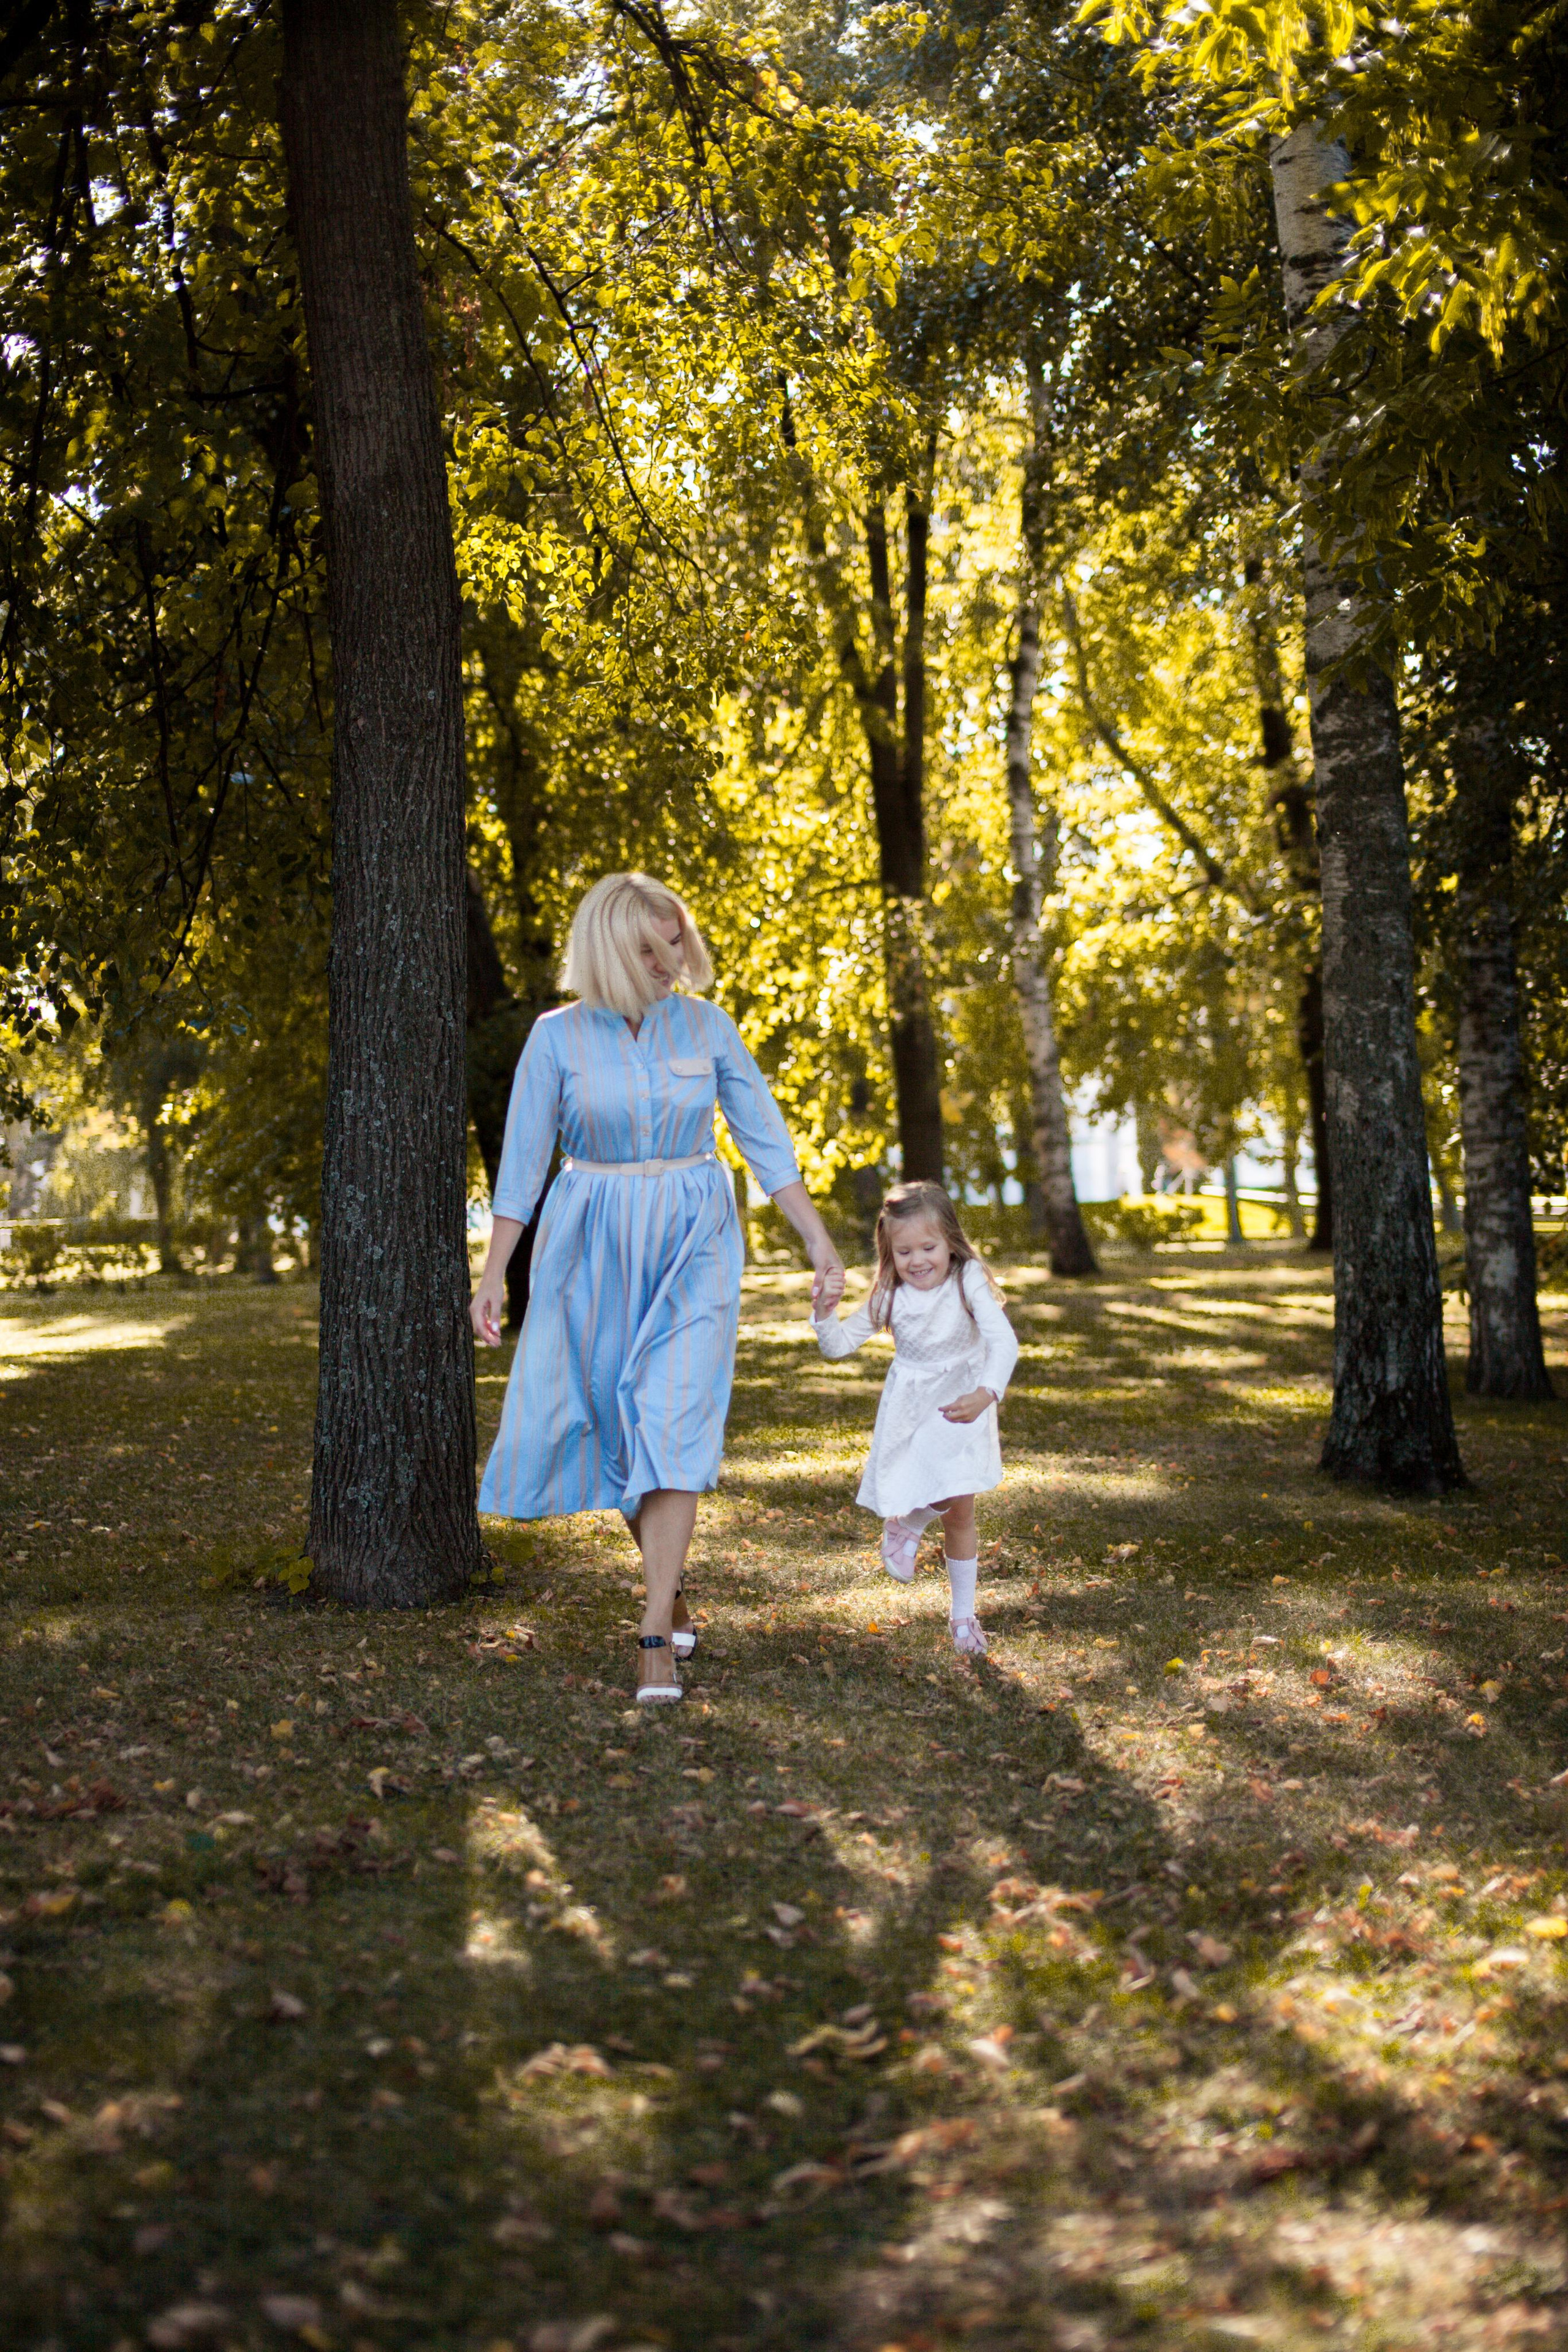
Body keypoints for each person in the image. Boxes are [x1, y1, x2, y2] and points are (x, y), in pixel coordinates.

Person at [472, 873, 845, 1702]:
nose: (667, 961)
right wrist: (494, 1272)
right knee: (614, 1424)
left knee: (675, 1424)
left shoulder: (708, 1029)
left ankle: (651, 1632)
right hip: (591, 1240)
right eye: (645, 949)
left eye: (674, 941)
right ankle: (670, 1582)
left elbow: (766, 1141)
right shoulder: (557, 1038)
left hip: (694, 1233)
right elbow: (525, 1163)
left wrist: (819, 1242)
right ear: (607, 953)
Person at [812, 1180, 1017, 1655]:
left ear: (950, 1241)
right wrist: (824, 1314)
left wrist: (987, 1392)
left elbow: (1004, 1341)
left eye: (929, 1247)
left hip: (964, 1400)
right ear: (889, 1250)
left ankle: (962, 1615)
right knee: (949, 1491)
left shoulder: (967, 1280)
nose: (918, 1260)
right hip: (913, 1405)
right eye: (904, 1251)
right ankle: (912, 1523)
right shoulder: (889, 1294)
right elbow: (838, 1346)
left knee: (961, 1508)